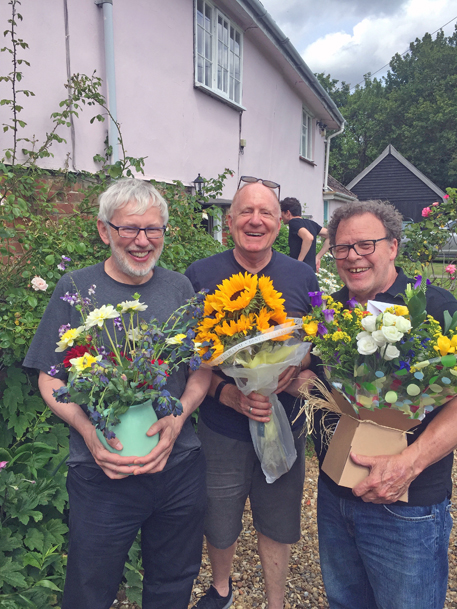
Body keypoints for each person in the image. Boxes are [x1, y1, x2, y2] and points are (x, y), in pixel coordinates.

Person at [23, 178, 212, 609]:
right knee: (90, 586)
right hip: (101, 470)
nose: (142, 241)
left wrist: (179, 416)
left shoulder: (180, 289)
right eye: (129, 229)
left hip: (177, 464)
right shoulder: (76, 288)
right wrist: (88, 432)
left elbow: (201, 373)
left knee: (173, 580)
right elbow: (50, 379)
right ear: (104, 230)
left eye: (153, 229)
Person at [312, 200, 457, 609]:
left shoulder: (434, 306)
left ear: (392, 247)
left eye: (365, 245)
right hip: (336, 493)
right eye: (342, 248)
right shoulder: (330, 311)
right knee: (344, 601)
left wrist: (409, 463)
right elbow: (314, 378)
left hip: (406, 501)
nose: (352, 257)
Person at [185, 177, 319, 609]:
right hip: (222, 426)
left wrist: (293, 368)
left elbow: (317, 344)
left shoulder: (301, 276)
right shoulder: (201, 275)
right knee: (219, 515)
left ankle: (275, 600)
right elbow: (191, 355)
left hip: (284, 421)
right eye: (246, 212)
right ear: (229, 221)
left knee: (277, 516)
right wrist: (228, 393)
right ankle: (221, 588)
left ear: (281, 222)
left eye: (266, 212)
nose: (255, 220)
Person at [280, 196, 329, 272]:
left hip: (300, 271)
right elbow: (331, 235)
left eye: (282, 214)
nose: (281, 217)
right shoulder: (311, 223)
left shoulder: (293, 222)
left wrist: (298, 262)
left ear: (288, 213)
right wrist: (318, 257)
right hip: (311, 271)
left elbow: (308, 238)